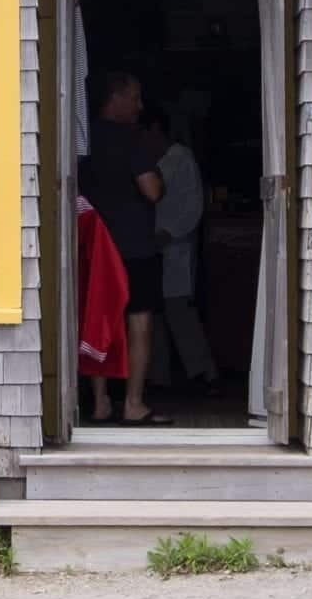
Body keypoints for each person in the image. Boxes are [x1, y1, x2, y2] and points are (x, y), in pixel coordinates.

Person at [81, 71, 169, 425]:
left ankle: (100, 402)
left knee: (98, 320)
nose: (140, 105)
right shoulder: (135, 139)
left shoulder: (83, 136)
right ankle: (133, 403)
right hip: (133, 245)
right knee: (139, 322)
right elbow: (151, 190)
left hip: (94, 242)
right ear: (115, 99)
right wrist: (161, 182)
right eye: (135, 98)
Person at [146, 107, 220, 396]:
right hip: (156, 248)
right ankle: (158, 377)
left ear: (156, 130)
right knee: (155, 314)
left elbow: (193, 206)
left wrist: (170, 233)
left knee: (179, 312)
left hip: (174, 247)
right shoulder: (161, 161)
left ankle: (205, 373)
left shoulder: (179, 158)